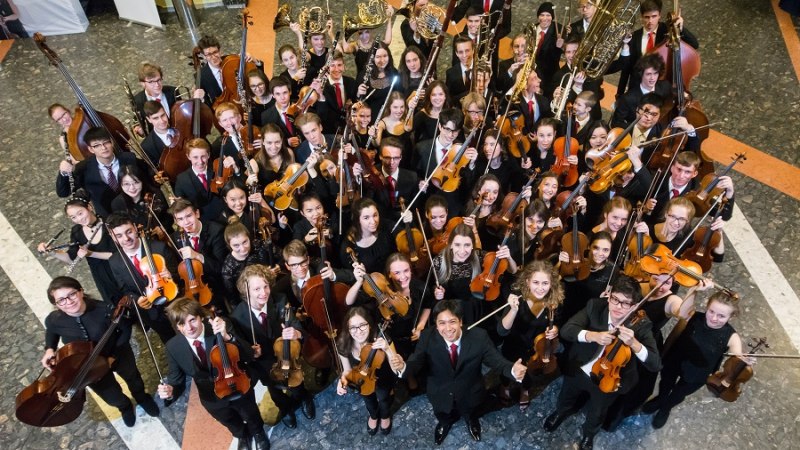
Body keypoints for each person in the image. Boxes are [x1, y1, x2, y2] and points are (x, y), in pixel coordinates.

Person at [543, 275, 659, 450]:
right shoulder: (595, 306)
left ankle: (589, 435)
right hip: (580, 367)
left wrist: (634, 343)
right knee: (567, 394)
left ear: (635, 306)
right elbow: (567, 330)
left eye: (626, 303)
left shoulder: (642, 324)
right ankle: (560, 412)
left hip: (610, 379)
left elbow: (655, 364)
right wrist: (592, 336)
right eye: (615, 300)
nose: (618, 307)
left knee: (598, 411)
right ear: (610, 295)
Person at [388, 299, 527, 445]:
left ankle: (471, 421)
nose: (448, 328)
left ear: (460, 321)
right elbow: (415, 362)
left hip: (470, 390)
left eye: (452, 321)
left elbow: (497, 362)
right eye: (442, 323)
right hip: (440, 391)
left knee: (471, 411)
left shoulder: (479, 336)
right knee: (443, 413)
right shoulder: (427, 337)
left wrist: (513, 369)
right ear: (436, 324)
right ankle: (444, 423)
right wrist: (402, 366)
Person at [42, 277, 159, 427]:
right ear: (56, 304)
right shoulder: (54, 320)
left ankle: (142, 397)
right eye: (61, 300)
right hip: (88, 366)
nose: (69, 302)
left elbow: (124, 330)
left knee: (133, 378)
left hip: (118, 353)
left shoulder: (104, 309)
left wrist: (112, 357)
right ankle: (124, 406)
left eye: (72, 294)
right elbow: (51, 331)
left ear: (81, 292)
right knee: (111, 396)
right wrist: (49, 349)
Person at [158, 297, 270, 450]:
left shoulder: (220, 326)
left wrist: (227, 337)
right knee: (228, 420)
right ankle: (242, 435)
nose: (189, 328)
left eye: (192, 320)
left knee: (250, 413)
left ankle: (258, 432)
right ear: (177, 326)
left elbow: (249, 355)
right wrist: (171, 390)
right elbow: (176, 380)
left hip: (237, 384)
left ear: (201, 317)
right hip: (210, 396)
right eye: (182, 324)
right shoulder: (173, 346)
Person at [642, 290, 749, 429]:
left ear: (731, 316)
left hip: (699, 372)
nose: (714, 318)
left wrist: (742, 361)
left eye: (722, 316)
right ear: (707, 307)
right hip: (676, 359)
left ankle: (665, 409)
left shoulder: (732, 337)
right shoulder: (695, 316)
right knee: (666, 382)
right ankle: (660, 399)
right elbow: (682, 310)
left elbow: (736, 356)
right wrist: (694, 290)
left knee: (679, 394)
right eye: (711, 311)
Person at [230, 265, 315, 430]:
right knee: (275, 390)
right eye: (257, 289)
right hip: (264, 363)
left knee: (296, 383)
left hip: (286, 354)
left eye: (266, 286)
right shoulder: (237, 317)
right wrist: (251, 352)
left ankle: (304, 398)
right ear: (245, 292)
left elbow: (294, 323)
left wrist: (296, 332)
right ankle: (286, 409)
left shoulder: (280, 299)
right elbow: (240, 347)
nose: (264, 293)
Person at [497, 261, 564, 409]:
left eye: (545, 283)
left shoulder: (554, 302)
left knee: (530, 372)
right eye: (536, 282)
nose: (540, 288)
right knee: (508, 369)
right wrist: (513, 310)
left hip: (535, 349)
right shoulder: (517, 298)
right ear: (527, 281)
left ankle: (525, 389)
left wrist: (555, 330)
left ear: (551, 283)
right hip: (513, 345)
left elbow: (558, 322)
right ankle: (505, 387)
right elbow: (501, 331)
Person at [106, 212, 178, 344]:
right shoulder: (114, 261)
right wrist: (136, 299)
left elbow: (179, 274)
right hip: (151, 314)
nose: (126, 238)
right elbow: (125, 289)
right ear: (112, 237)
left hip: (175, 305)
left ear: (135, 227)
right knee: (171, 342)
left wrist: (171, 276)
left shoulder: (159, 248)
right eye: (119, 235)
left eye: (129, 232)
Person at [37, 193, 119, 304]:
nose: (79, 219)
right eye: (73, 217)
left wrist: (91, 254)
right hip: (101, 276)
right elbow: (71, 258)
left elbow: (120, 254)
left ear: (89, 207)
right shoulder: (77, 231)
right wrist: (51, 251)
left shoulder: (109, 222)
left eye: (80, 213)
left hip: (120, 269)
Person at [55, 127, 152, 217]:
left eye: (106, 143)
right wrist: (63, 173)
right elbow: (63, 192)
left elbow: (149, 180)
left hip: (138, 213)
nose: (103, 147)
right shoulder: (83, 168)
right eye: (97, 145)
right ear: (91, 149)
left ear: (112, 143)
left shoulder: (129, 158)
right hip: (109, 218)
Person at [335, 307, 397, 435]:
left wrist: (387, 349)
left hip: (382, 377)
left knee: (384, 398)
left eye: (362, 325)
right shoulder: (343, 343)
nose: (358, 331)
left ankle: (385, 416)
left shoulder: (382, 338)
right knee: (368, 399)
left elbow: (396, 367)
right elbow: (346, 370)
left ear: (369, 324)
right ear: (348, 328)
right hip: (362, 379)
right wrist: (342, 381)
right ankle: (374, 416)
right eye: (353, 327)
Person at [619, 0, 699, 95]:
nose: (650, 21)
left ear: (659, 16)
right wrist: (619, 94)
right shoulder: (634, 37)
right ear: (641, 17)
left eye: (654, 16)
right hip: (640, 90)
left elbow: (694, 44)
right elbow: (626, 69)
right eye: (647, 17)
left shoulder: (668, 30)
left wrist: (680, 29)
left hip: (663, 89)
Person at [169, 198, 229, 313]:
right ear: (176, 221)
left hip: (216, 284)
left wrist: (197, 256)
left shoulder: (216, 231)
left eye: (188, 216)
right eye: (180, 219)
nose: (186, 222)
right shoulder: (175, 239)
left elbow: (221, 268)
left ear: (197, 213)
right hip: (191, 288)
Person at [557, 231, 614, 325]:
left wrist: (607, 298)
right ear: (589, 246)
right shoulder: (575, 263)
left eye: (605, 250)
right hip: (568, 314)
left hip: (590, 319)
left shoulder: (612, 269)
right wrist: (560, 264)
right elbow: (556, 280)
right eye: (596, 248)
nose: (600, 253)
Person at [173, 137, 226, 221]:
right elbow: (181, 207)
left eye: (203, 156)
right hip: (202, 223)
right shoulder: (181, 179)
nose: (200, 161)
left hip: (223, 217)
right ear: (188, 156)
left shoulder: (218, 169)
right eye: (195, 157)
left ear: (208, 155)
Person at [340, 198, 397, 274]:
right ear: (358, 220)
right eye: (366, 218)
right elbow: (351, 275)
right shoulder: (348, 246)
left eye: (375, 215)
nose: (373, 221)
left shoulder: (385, 230)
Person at [314, 51, 358, 134]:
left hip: (348, 130)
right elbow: (321, 116)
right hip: (329, 132)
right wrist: (320, 95)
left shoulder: (351, 82)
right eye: (332, 65)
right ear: (327, 68)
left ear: (344, 66)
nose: (336, 69)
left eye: (339, 65)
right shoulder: (320, 87)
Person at [133, 62, 178, 136]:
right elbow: (137, 121)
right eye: (151, 82)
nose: (157, 85)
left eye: (158, 80)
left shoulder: (173, 91)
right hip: (158, 138)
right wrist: (139, 130)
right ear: (142, 83)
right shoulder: (138, 101)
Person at [445, 35, 475, 102]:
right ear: (456, 53)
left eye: (467, 51)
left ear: (473, 50)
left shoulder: (483, 69)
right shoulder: (450, 73)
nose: (464, 55)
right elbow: (449, 98)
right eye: (461, 52)